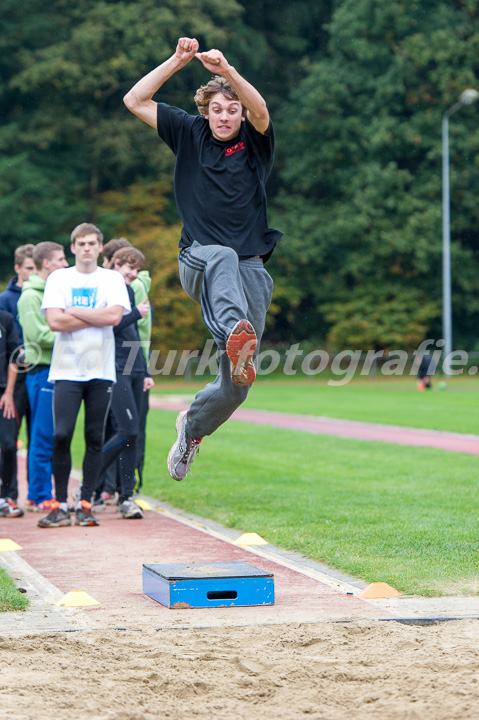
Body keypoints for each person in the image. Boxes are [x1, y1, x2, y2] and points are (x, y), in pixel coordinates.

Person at [123, 37, 281, 481]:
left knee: (239, 385)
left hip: (250, 267)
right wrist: (177, 61)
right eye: (218, 109)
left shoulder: (255, 140)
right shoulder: (188, 132)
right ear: (206, 111)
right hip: (199, 258)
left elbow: (262, 110)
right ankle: (235, 330)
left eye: (232, 109)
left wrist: (229, 72)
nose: (225, 116)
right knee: (223, 256)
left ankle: (191, 430)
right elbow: (135, 99)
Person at [37, 223, 130, 528]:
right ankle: (61, 503)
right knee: (61, 435)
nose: (87, 248)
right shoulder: (59, 278)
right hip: (66, 369)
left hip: (100, 370)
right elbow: (54, 322)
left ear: (100, 247)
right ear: (73, 247)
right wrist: (94, 315)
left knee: (94, 436)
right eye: (81, 243)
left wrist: (73, 312)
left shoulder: (112, 279)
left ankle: (86, 503)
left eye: (92, 243)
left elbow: (114, 316)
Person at [96, 246, 152, 519]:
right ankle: (92, 478)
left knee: (134, 434)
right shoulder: (103, 287)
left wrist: (146, 371)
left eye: (137, 269)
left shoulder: (128, 291)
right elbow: (108, 324)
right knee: (127, 428)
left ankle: (126, 497)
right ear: (116, 264)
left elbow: (132, 334)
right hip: (113, 367)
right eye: (130, 267)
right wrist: (135, 314)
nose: (133, 273)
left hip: (135, 368)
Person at [17, 241, 68, 511]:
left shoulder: (53, 291)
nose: (65, 263)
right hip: (42, 371)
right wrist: (72, 329)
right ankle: (39, 495)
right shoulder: (30, 297)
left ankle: (38, 492)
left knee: (55, 434)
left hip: (58, 369)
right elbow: (38, 336)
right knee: (43, 435)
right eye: (60, 259)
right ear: (46, 263)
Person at [0, 244, 35, 503]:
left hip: (41, 372)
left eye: (37, 268)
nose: (33, 273)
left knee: (40, 437)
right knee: (10, 438)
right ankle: (9, 494)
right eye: (29, 268)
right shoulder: (5, 300)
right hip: (15, 376)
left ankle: (35, 494)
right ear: (18, 268)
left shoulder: (45, 294)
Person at [0, 310, 22, 517]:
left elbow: (14, 357)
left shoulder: (5, 319)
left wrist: (8, 392)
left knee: (8, 444)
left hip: (3, 394)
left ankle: (5, 497)